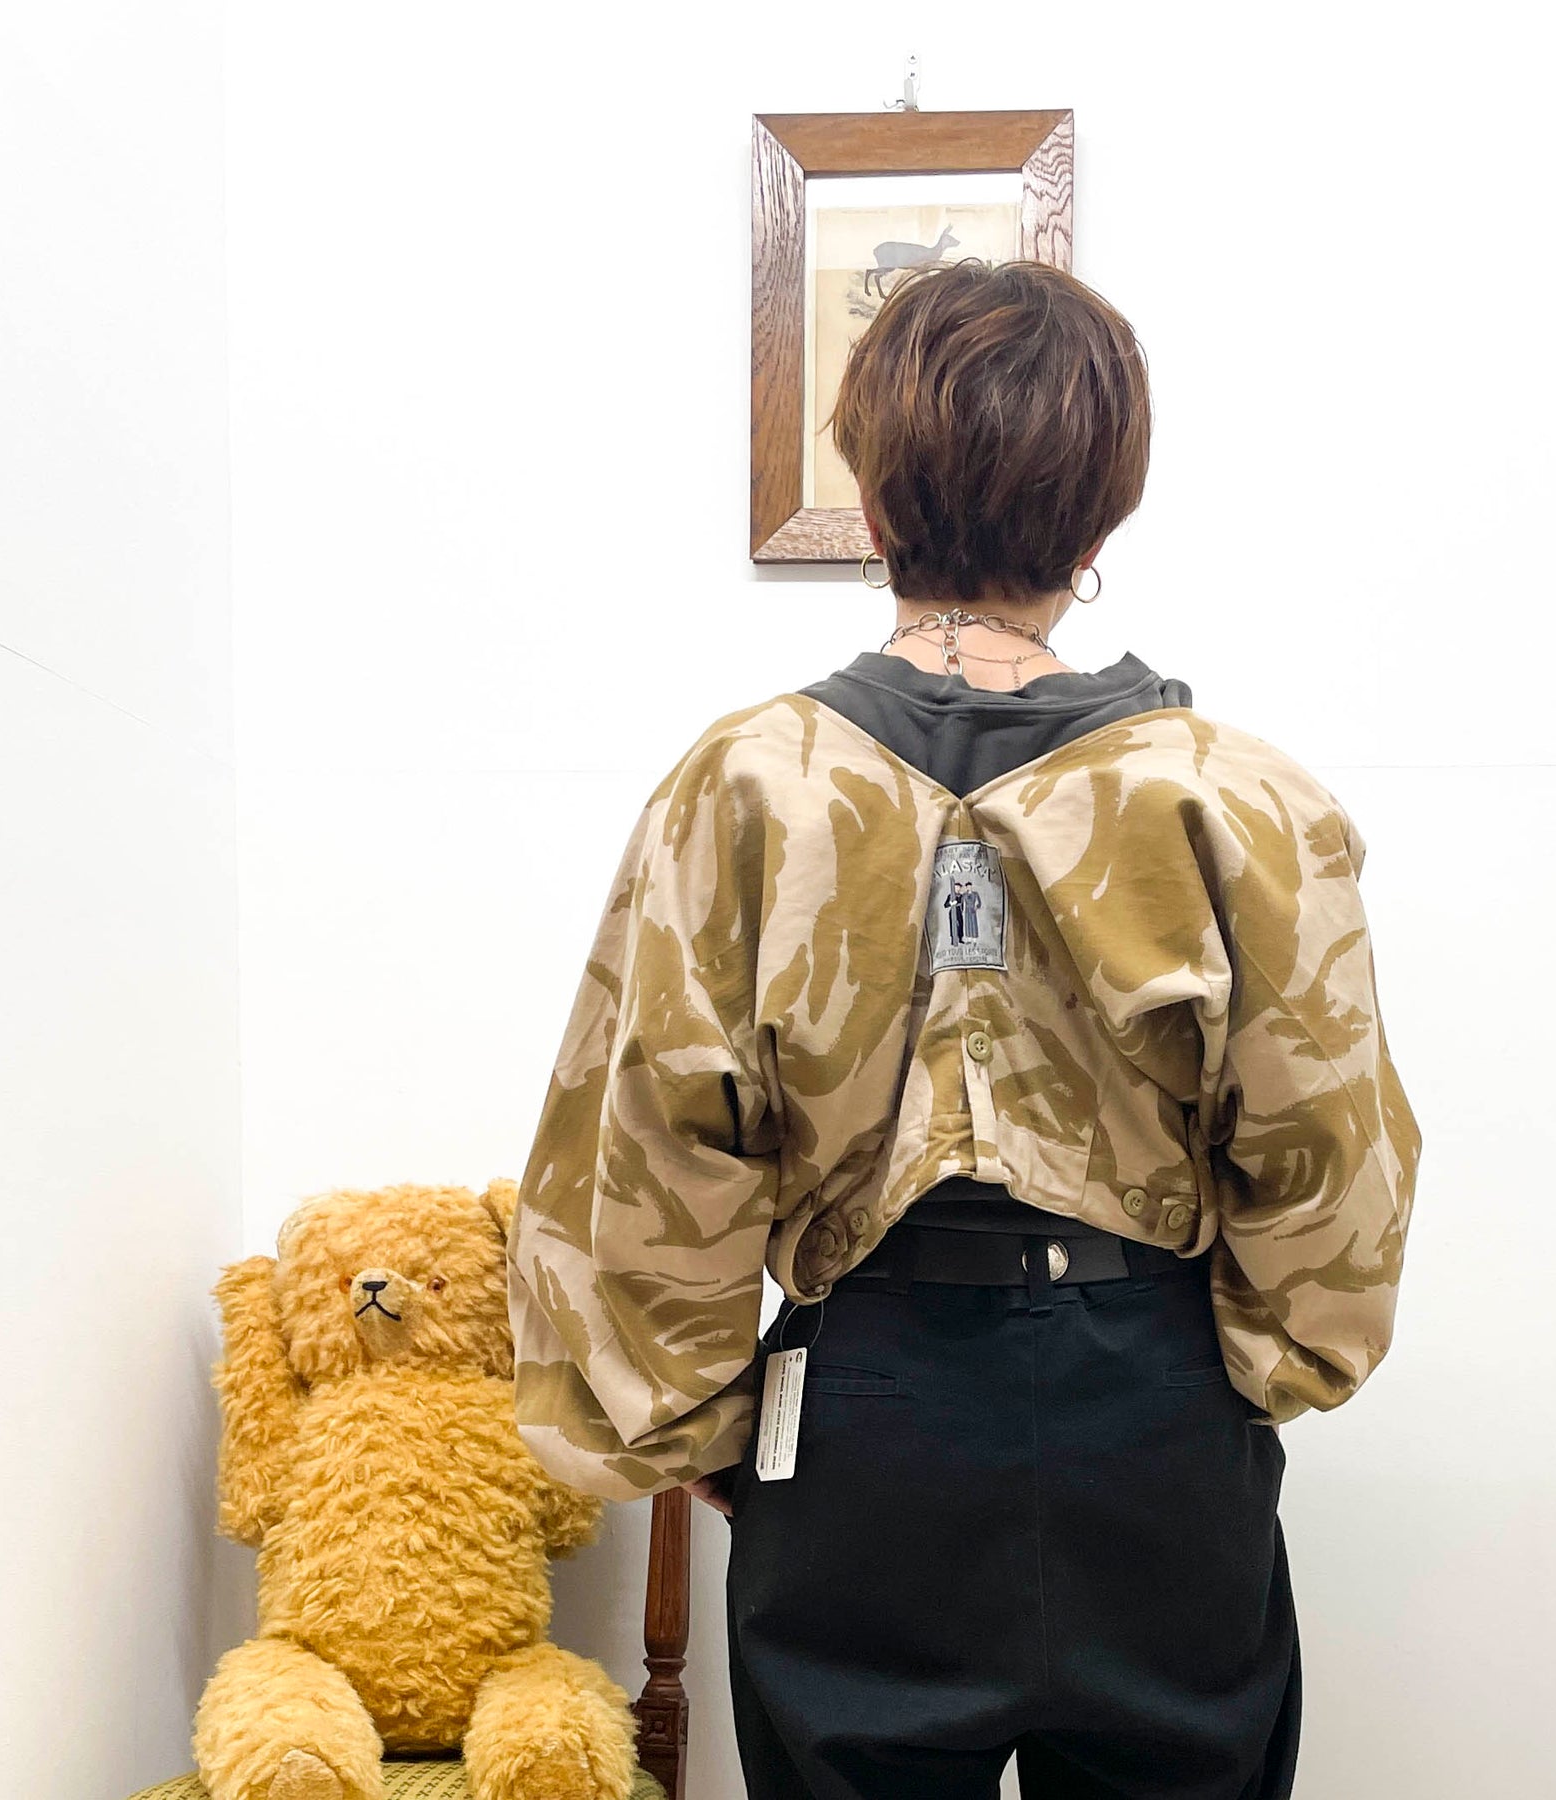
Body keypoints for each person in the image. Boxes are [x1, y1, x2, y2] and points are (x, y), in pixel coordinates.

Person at [505, 259, 1422, 1799]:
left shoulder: (744, 787)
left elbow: (651, 1149)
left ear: (870, 504)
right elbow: (1332, 1152)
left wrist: (703, 1423)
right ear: (1103, 519)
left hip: (862, 1422)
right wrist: (1245, 1378)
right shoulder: (1240, 797)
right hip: (1157, 1414)